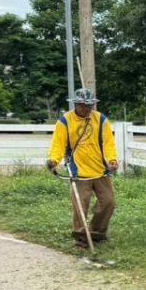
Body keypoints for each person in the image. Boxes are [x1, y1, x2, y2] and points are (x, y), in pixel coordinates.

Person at [46, 88, 118, 246]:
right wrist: (53, 160)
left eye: (90, 106)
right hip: (78, 171)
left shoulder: (101, 119)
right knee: (80, 205)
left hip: (100, 170)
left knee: (109, 201)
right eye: (83, 105)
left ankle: (97, 233)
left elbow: (109, 143)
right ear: (76, 104)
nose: (86, 109)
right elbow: (58, 145)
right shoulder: (65, 121)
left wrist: (112, 159)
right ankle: (81, 238)